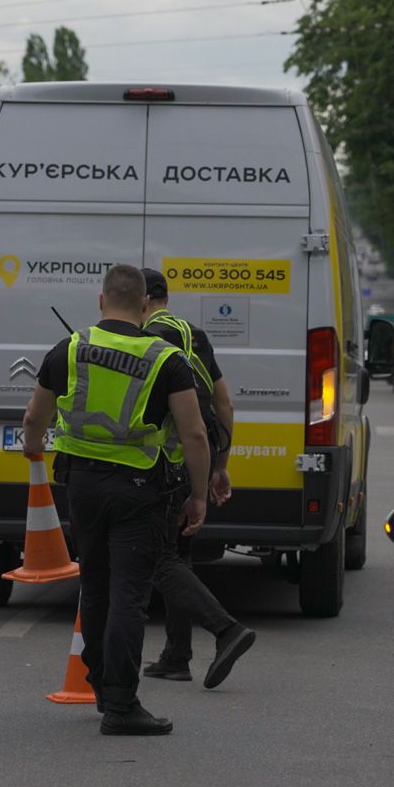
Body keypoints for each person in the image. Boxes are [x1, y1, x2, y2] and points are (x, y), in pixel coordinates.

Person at [22, 264, 210, 736]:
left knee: (97, 588)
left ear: (101, 300)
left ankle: (104, 688)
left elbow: (33, 421)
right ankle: (122, 706)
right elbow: (194, 434)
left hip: (81, 488)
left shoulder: (68, 349)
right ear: (146, 307)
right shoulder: (166, 359)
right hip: (139, 491)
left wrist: (33, 452)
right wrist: (199, 495)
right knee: (129, 596)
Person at [139, 268, 256, 688]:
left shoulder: (148, 339)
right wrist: (219, 466)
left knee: (158, 555)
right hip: (200, 454)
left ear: (144, 299)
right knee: (177, 553)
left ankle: (226, 630)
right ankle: (176, 655)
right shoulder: (195, 336)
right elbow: (224, 404)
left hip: (166, 461)